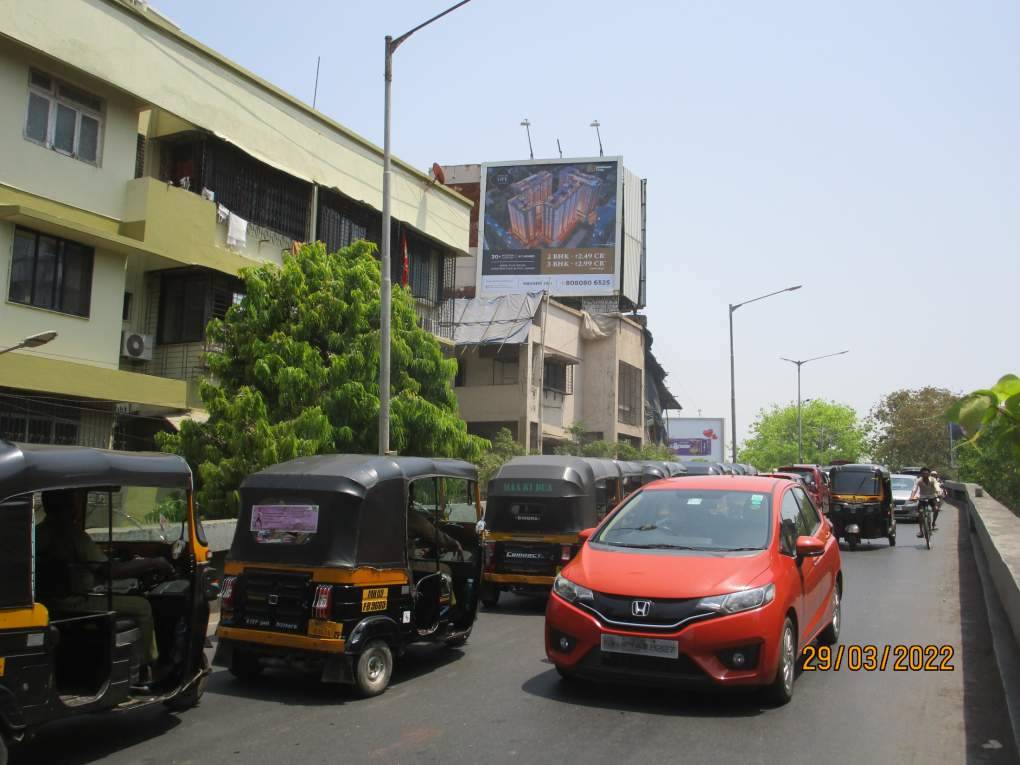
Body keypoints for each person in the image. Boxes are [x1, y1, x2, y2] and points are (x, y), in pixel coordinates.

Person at [35, 489, 174, 683]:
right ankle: (149, 667)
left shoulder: (37, 534)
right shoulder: (74, 535)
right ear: (69, 507)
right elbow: (109, 571)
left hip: (47, 603)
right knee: (143, 606)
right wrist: (152, 563)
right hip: (76, 603)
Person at [909, 467, 942, 536]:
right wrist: (912, 497)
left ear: (929, 474)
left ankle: (933, 523)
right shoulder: (919, 480)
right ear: (921, 474)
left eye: (926, 473)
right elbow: (914, 489)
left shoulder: (933, 480)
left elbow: (937, 487)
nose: (925, 475)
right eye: (923, 474)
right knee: (920, 513)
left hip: (932, 497)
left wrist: (938, 493)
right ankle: (921, 531)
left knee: (936, 509)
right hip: (922, 498)